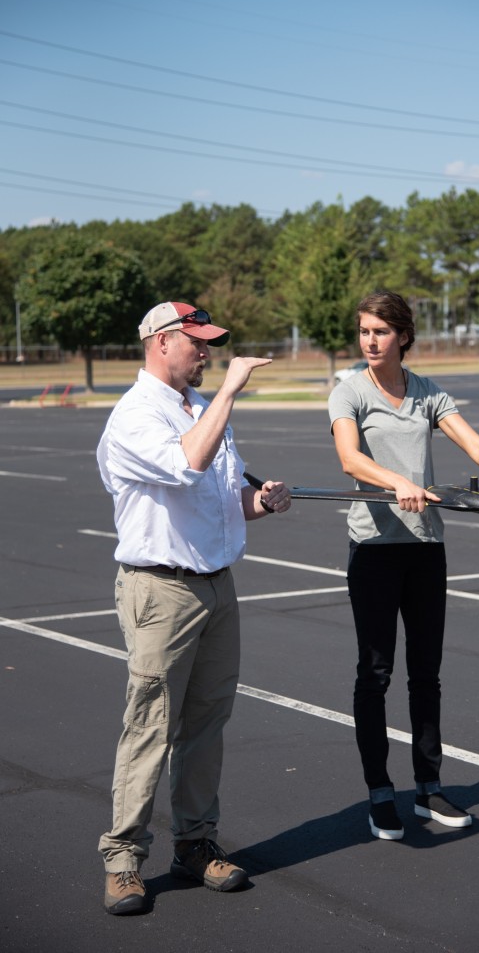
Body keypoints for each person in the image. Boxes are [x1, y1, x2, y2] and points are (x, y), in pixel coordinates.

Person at [97, 301, 291, 914]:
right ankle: (124, 858)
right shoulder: (134, 416)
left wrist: (262, 501)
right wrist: (232, 390)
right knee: (151, 726)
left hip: (214, 584)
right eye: (197, 343)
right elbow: (187, 464)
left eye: (211, 345)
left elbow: (224, 498)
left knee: (206, 724)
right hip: (160, 589)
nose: (207, 354)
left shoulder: (201, 409)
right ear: (160, 343)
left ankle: (195, 844)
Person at [328, 290, 479, 841]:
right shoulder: (348, 392)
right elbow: (350, 458)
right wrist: (397, 481)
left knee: (426, 674)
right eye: (364, 331)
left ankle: (428, 786)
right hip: (372, 548)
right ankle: (379, 793)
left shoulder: (426, 392)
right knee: (374, 675)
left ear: (402, 336)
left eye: (380, 331)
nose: (370, 341)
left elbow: (471, 442)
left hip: (424, 548)